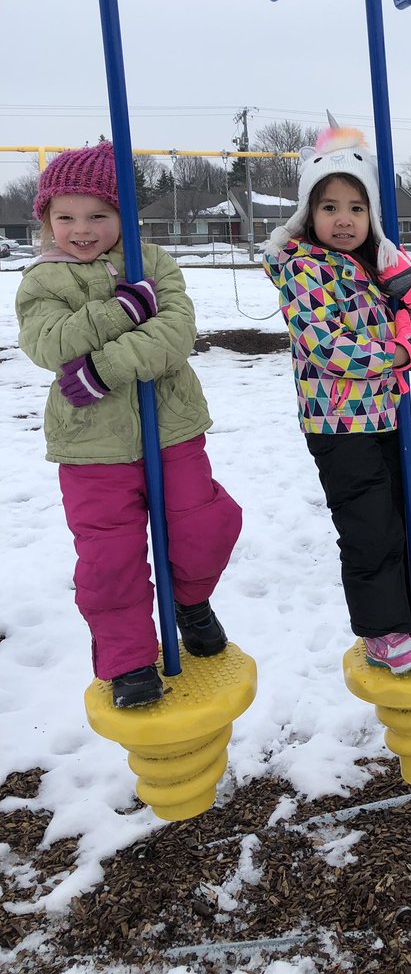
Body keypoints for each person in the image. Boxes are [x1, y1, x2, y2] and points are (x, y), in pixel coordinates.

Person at [16, 142, 242, 708]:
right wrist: (123, 310)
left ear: (124, 217)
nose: (81, 230)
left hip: (172, 428)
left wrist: (102, 368)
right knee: (108, 558)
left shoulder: (153, 263)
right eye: (65, 217)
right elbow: (48, 344)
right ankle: (129, 661)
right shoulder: (42, 280)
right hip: (90, 445)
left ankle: (190, 601)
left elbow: (176, 333)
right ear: (46, 220)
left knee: (205, 526)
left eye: (99, 215)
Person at [263, 126, 411, 675]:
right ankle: (381, 628)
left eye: (356, 207)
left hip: (390, 411)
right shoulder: (304, 269)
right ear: (309, 213)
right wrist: (396, 354)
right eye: (330, 207)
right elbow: (326, 347)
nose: (344, 219)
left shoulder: (379, 258)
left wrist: (406, 285)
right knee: (371, 527)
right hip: (339, 423)